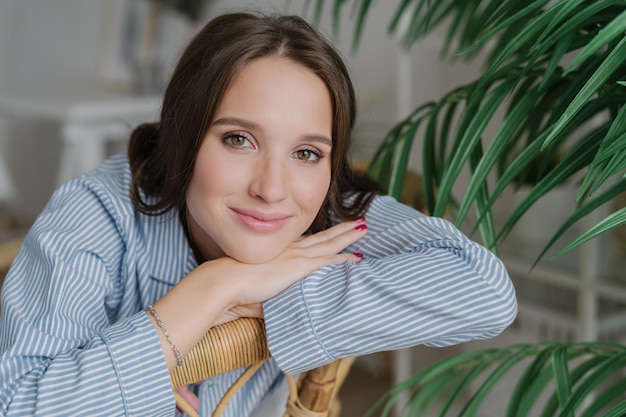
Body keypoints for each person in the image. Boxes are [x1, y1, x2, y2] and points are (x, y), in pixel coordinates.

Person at [0, 11, 517, 417]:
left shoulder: (330, 210)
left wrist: (276, 294)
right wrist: (212, 290)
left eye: (307, 152)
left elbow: (486, 293)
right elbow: (19, 405)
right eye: (238, 139)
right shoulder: (97, 211)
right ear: (183, 137)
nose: (272, 189)